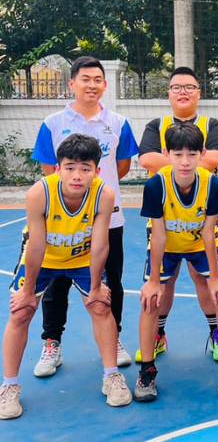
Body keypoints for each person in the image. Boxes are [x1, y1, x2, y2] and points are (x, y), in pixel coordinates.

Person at [0, 134, 132, 420]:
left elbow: (100, 245)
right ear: (57, 168)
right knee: (21, 311)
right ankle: (9, 386)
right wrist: (28, 292)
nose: (77, 175)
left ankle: (111, 376)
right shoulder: (40, 193)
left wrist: (95, 288)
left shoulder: (104, 194)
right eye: (70, 167)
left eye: (85, 168)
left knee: (101, 306)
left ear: (97, 171)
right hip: (44, 258)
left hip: (82, 256)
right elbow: (36, 245)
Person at [30, 56, 139, 374]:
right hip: (62, 221)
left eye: (97, 80)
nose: (92, 85)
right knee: (56, 285)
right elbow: (50, 170)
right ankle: (52, 342)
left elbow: (121, 167)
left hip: (109, 217)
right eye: (85, 79)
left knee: (112, 282)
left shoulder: (118, 123)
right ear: (72, 83)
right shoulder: (52, 123)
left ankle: (113, 337)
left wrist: (98, 198)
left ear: (105, 85)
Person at [133, 124, 218, 401]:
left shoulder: (213, 184)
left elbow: (208, 232)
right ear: (166, 153)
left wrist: (215, 277)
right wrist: (153, 282)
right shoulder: (156, 184)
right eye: (178, 154)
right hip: (166, 245)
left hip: (199, 244)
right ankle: (147, 371)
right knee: (150, 300)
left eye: (191, 154)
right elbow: (158, 235)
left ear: (202, 154)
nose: (184, 161)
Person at [137, 66, 218, 363]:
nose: (183, 92)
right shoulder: (157, 124)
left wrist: (176, 161)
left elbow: (216, 158)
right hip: (165, 215)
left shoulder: (211, 124)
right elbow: (145, 159)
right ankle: (159, 335)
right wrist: (186, 163)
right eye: (176, 87)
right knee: (164, 281)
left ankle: (216, 333)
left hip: (201, 214)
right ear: (169, 92)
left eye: (189, 87)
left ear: (198, 92)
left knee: (204, 279)